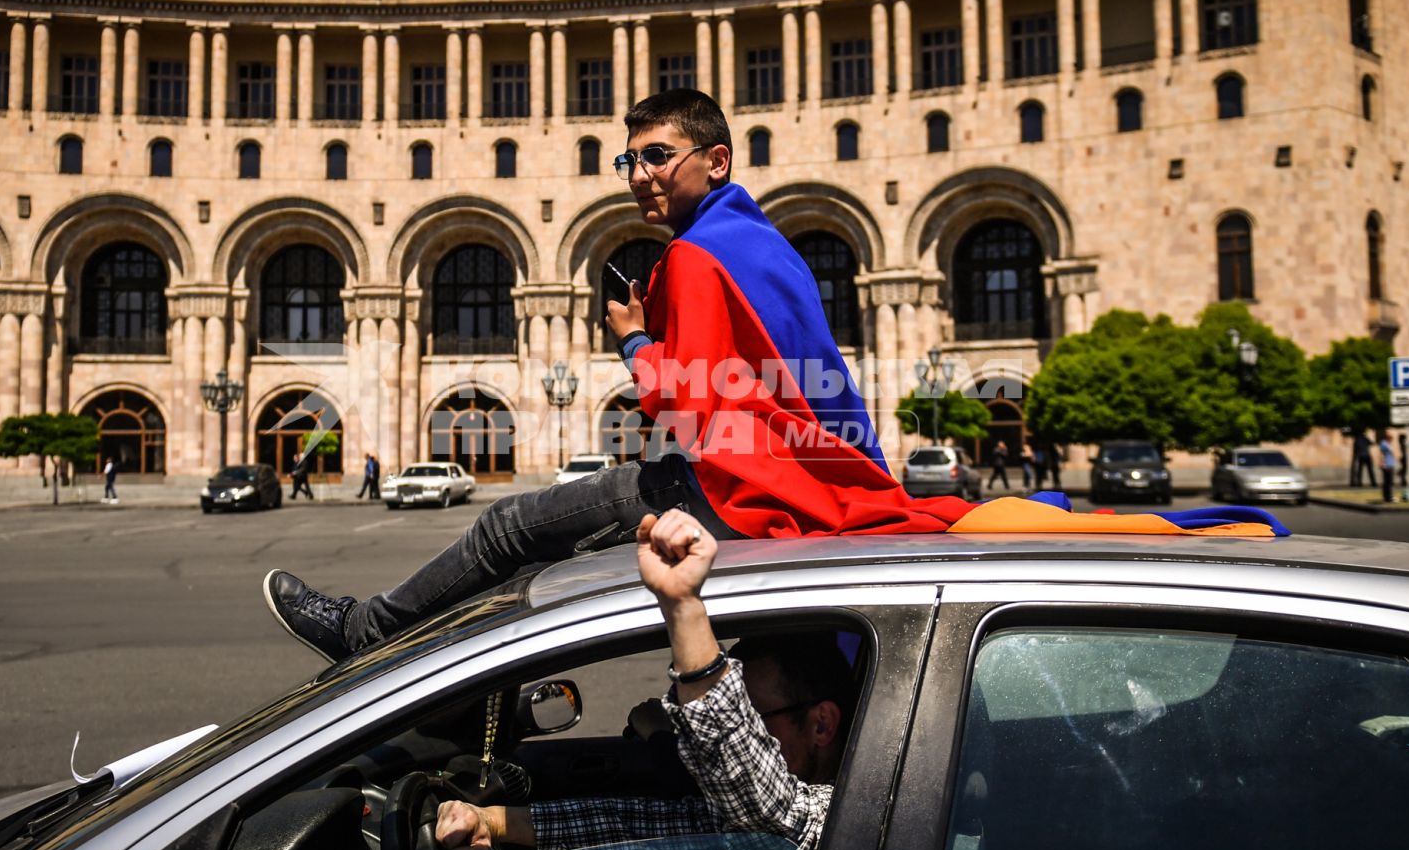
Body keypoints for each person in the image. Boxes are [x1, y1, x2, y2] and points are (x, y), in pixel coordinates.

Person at [261, 89, 979, 661]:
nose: (640, 176)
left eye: (659, 156)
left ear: (717, 160)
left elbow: (691, 404)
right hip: (819, 484)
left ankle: (365, 632)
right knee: (542, 561)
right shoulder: (768, 245)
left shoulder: (698, 256)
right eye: (629, 161)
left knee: (506, 531)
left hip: (749, 489)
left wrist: (635, 341)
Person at [433, 508, 845, 850]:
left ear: (821, 725)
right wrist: (490, 820)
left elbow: (755, 796)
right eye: (741, 714)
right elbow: (632, 827)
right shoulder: (744, 829)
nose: (749, 733)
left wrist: (683, 608)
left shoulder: (834, 829)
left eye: (756, 716)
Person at [1377, 433, 1395, 504]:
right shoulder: (1383, 443)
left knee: (1389, 481)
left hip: (1390, 464)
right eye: (1391, 439)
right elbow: (1382, 454)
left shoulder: (1387, 444)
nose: (1391, 440)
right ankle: (1387, 497)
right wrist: (1382, 463)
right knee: (1387, 482)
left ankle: (1388, 496)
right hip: (1386, 465)